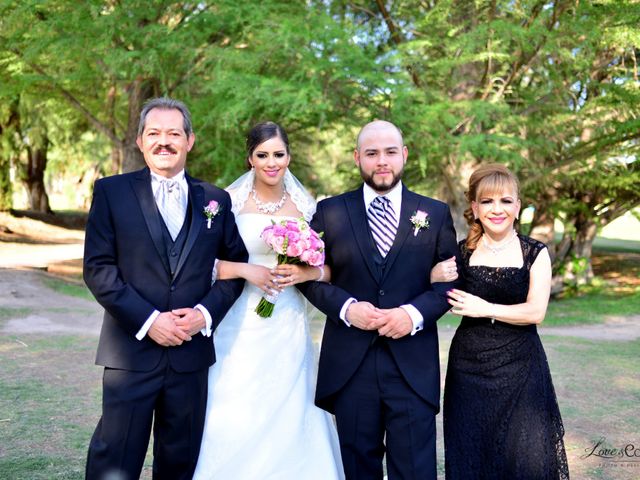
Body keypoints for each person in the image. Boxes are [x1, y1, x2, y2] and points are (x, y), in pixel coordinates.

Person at [83, 97, 248, 480]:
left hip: (190, 358)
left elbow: (235, 270)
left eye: (174, 133)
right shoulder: (112, 192)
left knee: (180, 461)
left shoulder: (216, 201)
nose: (164, 141)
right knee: (115, 458)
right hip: (130, 353)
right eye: (154, 133)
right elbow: (98, 269)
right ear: (140, 141)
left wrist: (203, 316)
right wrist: (149, 320)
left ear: (190, 140)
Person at [298, 120, 459, 479]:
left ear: (404, 155)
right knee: (357, 469)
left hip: (412, 366)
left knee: (415, 470)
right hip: (351, 366)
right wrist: (346, 309)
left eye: (389, 152)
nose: (381, 161)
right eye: (371, 153)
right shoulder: (330, 213)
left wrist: (412, 314)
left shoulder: (434, 214)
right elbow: (307, 278)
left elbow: (449, 285)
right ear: (358, 158)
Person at [192, 121, 344, 479]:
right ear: (250, 159)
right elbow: (204, 265)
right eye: (262, 155)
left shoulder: (307, 207)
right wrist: (248, 271)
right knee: (234, 401)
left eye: (278, 154)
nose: (271, 162)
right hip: (239, 319)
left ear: (289, 157)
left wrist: (303, 273)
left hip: (287, 320)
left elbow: (328, 269)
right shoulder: (227, 203)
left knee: (293, 406)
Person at [440, 163, 569, 479]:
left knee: (525, 455)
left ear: (518, 206)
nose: (496, 210)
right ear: (474, 207)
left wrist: (485, 308)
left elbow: (535, 312)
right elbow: (437, 296)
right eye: (487, 202)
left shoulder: (535, 253)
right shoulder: (462, 253)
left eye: (505, 201)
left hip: (521, 368)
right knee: (471, 449)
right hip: (468, 370)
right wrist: (434, 275)